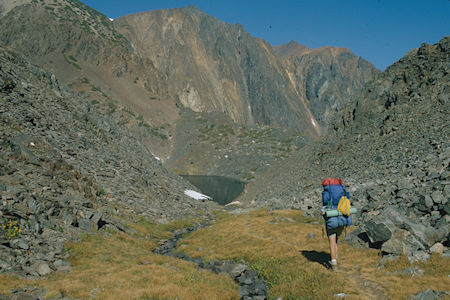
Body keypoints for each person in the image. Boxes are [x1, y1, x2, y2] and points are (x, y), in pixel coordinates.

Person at [320, 178, 350, 271]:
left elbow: (325, 205)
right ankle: (335, 258)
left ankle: (333, 264)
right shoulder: (343, 191)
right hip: (342, 220)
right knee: (336, 240)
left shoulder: (326, 193)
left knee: (332, 242)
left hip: (331, 220)